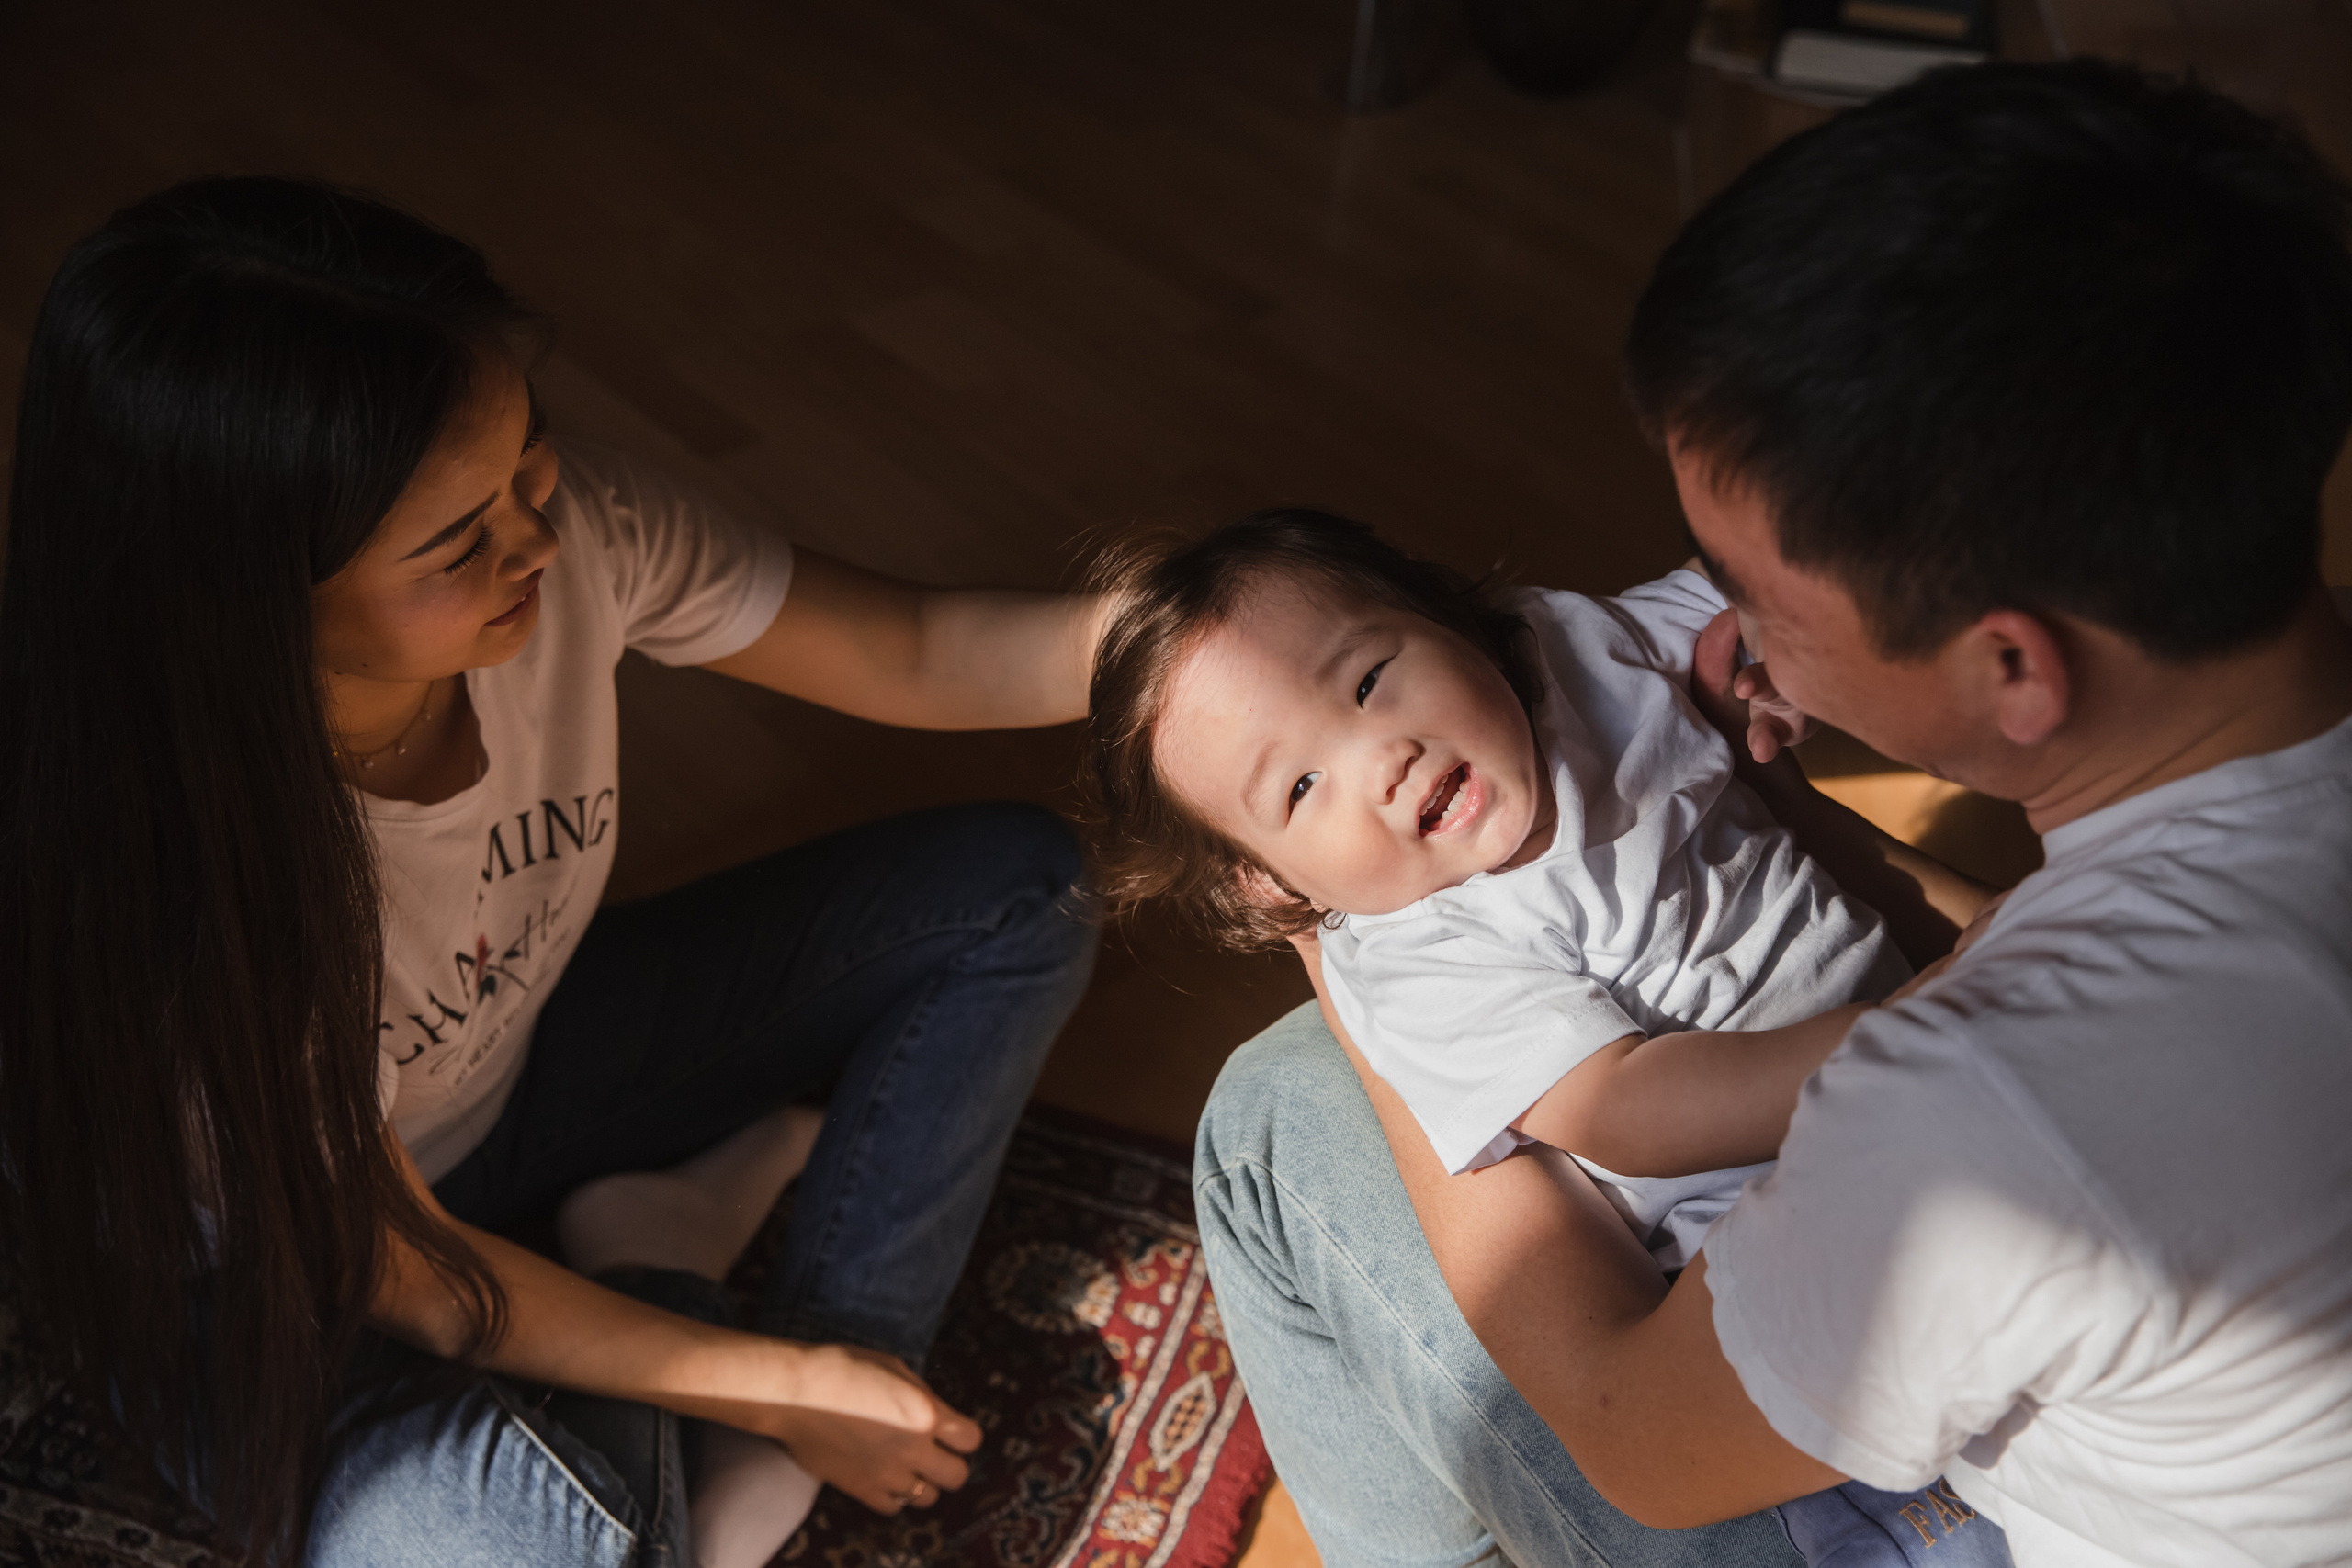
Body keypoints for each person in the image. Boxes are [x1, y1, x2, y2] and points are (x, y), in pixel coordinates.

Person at [1192, 58, 2352, 1568]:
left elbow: (1638, 1441)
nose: (1722, 642)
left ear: (2013, 664)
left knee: (1279, 1112)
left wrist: (1353, 972)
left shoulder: (1989, 1121)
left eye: (1757, 596)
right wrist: (1811, 820)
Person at [0, 177, 1103, 1568]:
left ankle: (792, 1390)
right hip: (256, 1286)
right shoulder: (169, 877)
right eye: (458, 542)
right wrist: (750, 1370)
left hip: (503, 1077)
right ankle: (687, 1295)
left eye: (530, 459)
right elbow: (407, 1271)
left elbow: (919, 651)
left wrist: (1214, 643)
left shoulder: (571, 536)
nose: (533, 532)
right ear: (251, 596)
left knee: (1018, 888)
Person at [1081, 508, 1933, 1275]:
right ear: (1271, 886)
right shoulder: (1414, 958)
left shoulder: (1559, 648)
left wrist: (1783, 646)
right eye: (1301, 786)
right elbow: (1627, 1107)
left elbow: (1749, 577)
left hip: (1922, 1034)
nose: (1384, 759)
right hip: (1786, 1217)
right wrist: (1898, 1043)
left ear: (1455, 621)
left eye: (1369, 681)